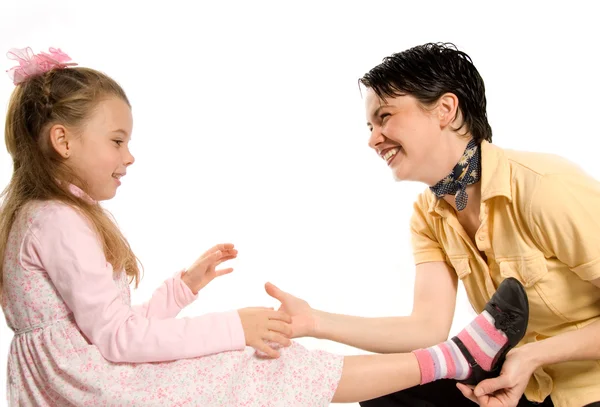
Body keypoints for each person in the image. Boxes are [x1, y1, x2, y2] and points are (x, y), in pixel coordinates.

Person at [0, 46, 528, 407]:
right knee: (261, 364)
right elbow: (117, 340)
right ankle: (453, 359)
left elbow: (102, 327)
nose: (130, 156)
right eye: (117, 141)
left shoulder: (43, 216)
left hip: (79, 381)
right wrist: (237, 327)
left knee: (259, 364)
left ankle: (449, 359)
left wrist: (181, 289)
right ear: (63, 142)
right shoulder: (58, 221)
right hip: (92, 388)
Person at [264, 42, 600, 407]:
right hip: (520, 387)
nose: (373, 139)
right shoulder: (428, 215)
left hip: (585, 389)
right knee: (387, 389)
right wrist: (315, 322)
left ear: (444, 109)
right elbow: (426, 328)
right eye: (370, 125)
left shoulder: (544, 186)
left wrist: (536, 355)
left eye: (385, 117)